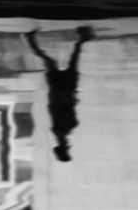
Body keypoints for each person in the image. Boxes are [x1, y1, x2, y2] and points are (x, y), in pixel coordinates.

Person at [24, 26, 94, 161]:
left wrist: (70, 100)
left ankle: (81, 39)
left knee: (63, 61)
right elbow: (57, 109)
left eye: (67, 148)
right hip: (62, 91)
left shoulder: (60, 131)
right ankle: (81, 39)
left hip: (63, 90)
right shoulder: (60, 132)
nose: (69, 146)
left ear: (63, 148)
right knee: (58, 62)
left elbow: (60, 109)